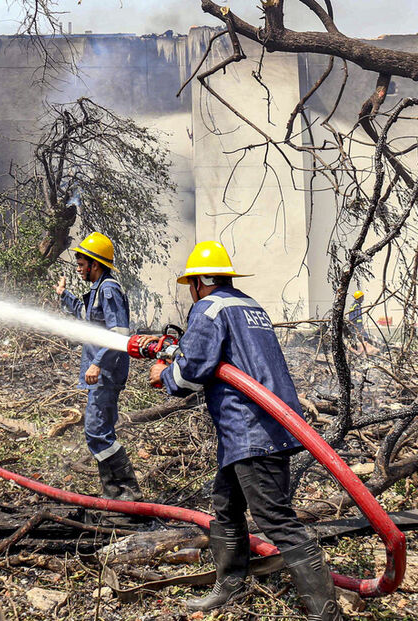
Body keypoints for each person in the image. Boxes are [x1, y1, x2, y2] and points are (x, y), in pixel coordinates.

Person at [148, 241, 340, 620]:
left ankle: (326, 612)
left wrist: (165, 374)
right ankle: (230, 585)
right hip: (263, 424)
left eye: (191, 284)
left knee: (276, 520)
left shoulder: (208, 308)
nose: (191, 291)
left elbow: (193, 372)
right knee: (226, 505)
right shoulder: (250, 306)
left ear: (200, 282)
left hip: (251, 427)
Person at [55, 232, 141, 501]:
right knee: (102, 430)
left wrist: (97, 364)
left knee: (95, 431)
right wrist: (64, 295)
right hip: (103, 372)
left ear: (95, 263)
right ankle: (115, 494)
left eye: (81, 265)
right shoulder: (97, 290)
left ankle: (128, 492)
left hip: (106, 371)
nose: (79, 270)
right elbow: (86, 315)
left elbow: (120, 331)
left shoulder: (108, 288)